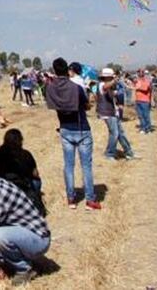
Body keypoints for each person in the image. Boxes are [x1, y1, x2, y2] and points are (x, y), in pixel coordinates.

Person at [45, 57, 100, 210]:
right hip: (81, 129)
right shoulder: (76, 88)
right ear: (67, 70)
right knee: (86, 166)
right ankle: (90, 200)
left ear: (55, 70)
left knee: (68, 165)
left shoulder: (50, 88)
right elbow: (86, 106)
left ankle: (71, 199)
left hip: (64, 129)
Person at [0, 129, 45, 215]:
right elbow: (35, 174)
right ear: (20, 140)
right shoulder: (26, 154)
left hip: (6, 188)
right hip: (24, 186)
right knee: (37, 181)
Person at [96, 68, 135, 160]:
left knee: (121, 133)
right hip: (107, 112)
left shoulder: (110, 86)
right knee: (114, 133)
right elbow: (105, 87)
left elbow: (113, 94)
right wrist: (115, 81)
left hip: (113, 112)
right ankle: (109, 153)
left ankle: (129, 152)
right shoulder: (102, 84)